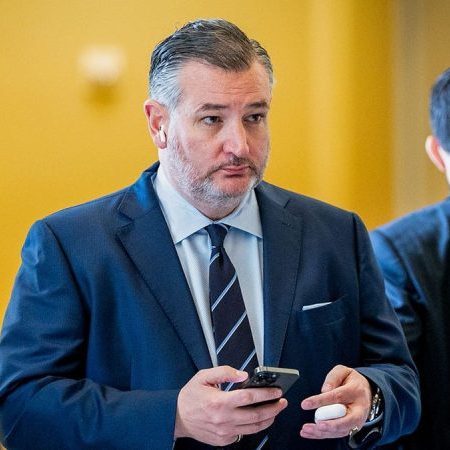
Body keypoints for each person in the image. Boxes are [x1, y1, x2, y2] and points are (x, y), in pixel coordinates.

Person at [0, 19, 419, 450]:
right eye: (212, 119)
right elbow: (20, 408)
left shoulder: (336, 233)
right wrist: (173, 417)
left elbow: (401, 379)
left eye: (254, 117)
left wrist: (373, 397)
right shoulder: (72, 244)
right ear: (158, 124)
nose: (239, 145)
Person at [371, 67, 450, 450]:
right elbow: (395, 391)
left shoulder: (395, 251)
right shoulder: (398, 254)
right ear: (437, 154)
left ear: (435, 153)